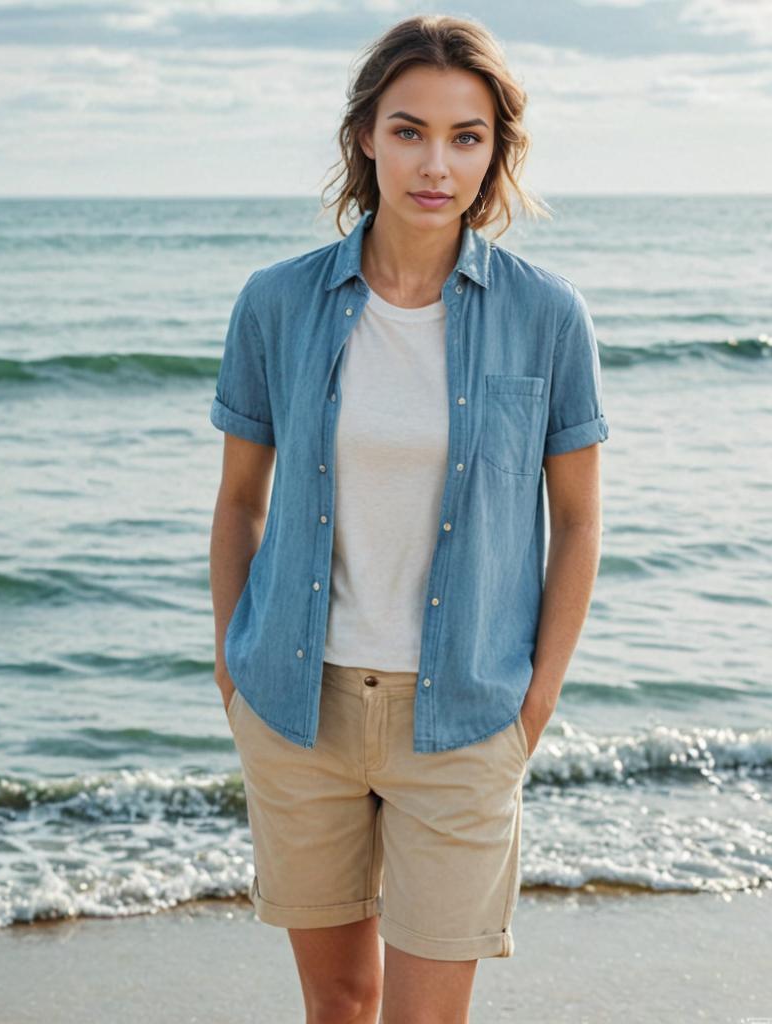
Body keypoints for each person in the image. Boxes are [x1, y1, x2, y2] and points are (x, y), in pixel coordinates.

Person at [209, 14, 609, 1023]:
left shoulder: (547, 315)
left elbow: (577, 521)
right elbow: (238, 502)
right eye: (408, 130)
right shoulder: (276, 304)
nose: (435, 162)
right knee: (339, 1004)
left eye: (465, 136)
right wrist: (231, 665)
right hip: (299, 706)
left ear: (494, 152)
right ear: (365, 138)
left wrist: (535, 701)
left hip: (466, 714)